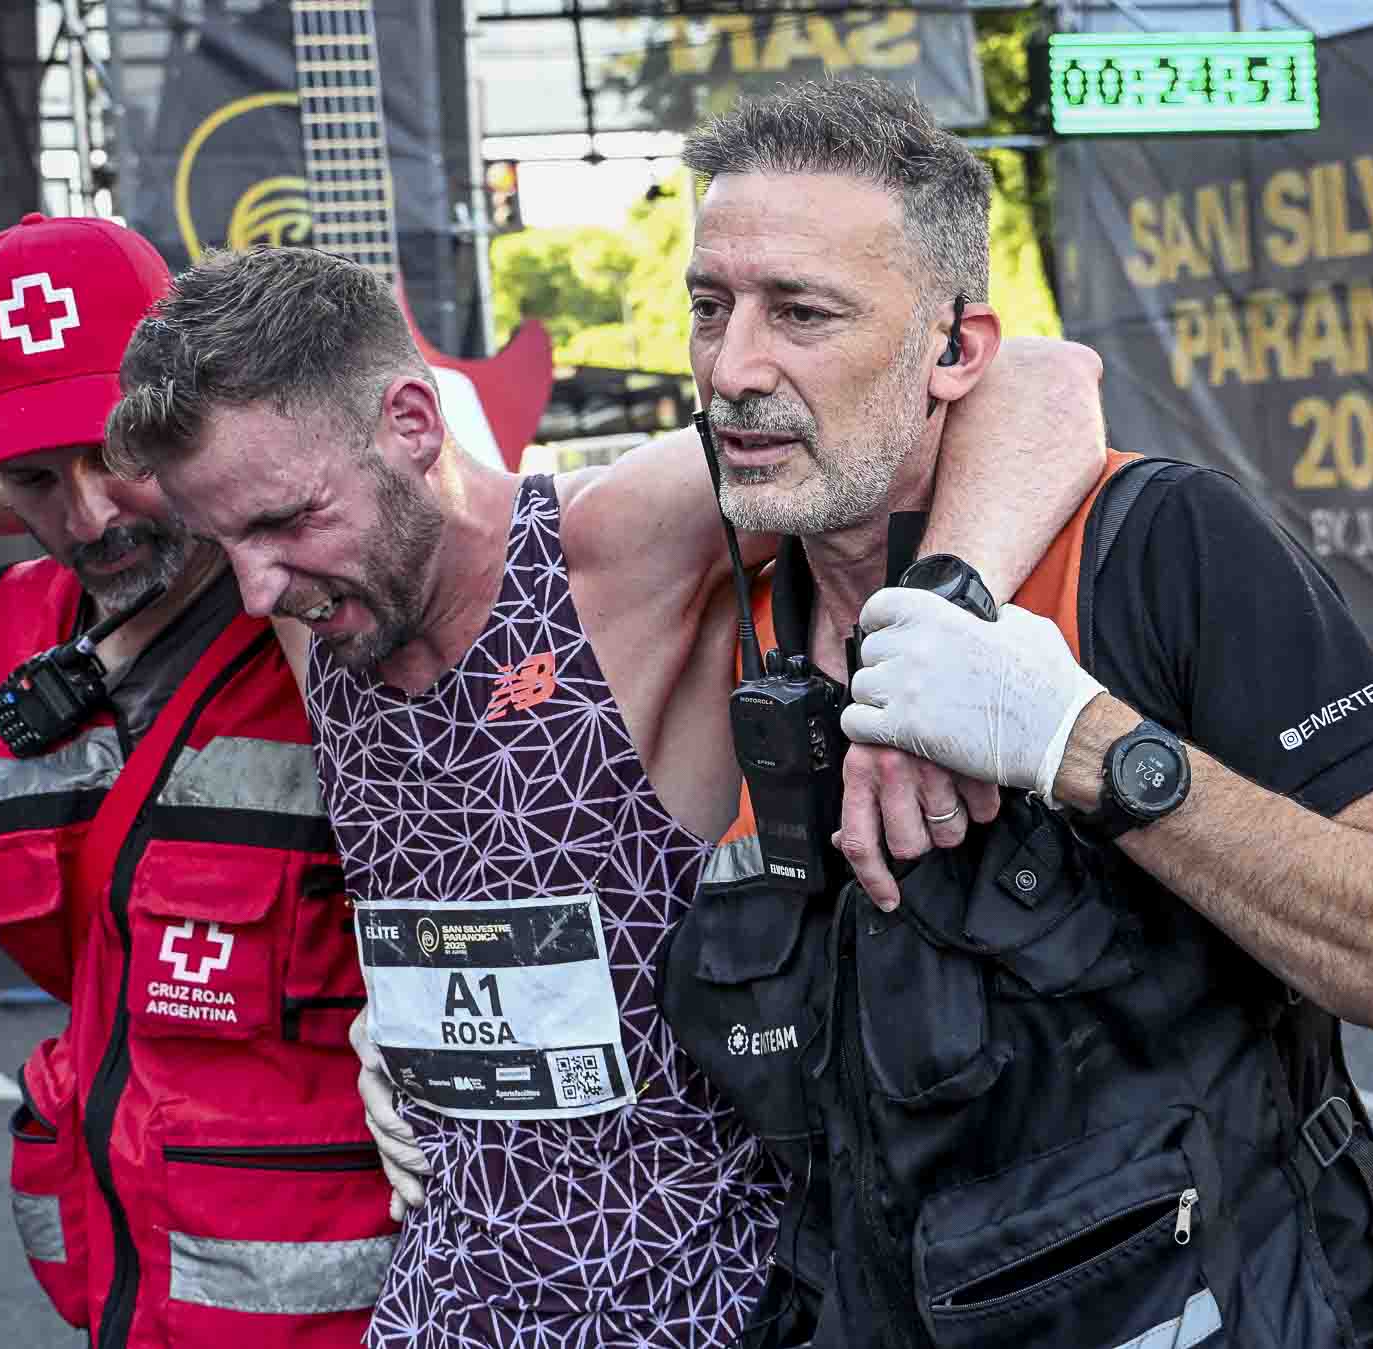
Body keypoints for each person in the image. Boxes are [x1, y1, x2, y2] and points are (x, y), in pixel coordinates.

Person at [89, 230, 1110, 1345]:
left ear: (412, 426)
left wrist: (937, 641)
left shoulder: (610, 548)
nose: (251, 590)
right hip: (447, 1296)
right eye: (223, 536)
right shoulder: (319, 610)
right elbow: (63, 482)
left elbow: (1040, 375)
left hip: (700, 1296)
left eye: (286, 521)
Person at [637, 80, 1373, 1349]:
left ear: (954, 350)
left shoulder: (1160, 545)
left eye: (803, 314)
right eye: (708, 307)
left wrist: (1082, 744)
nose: (730, 367)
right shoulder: (726, 599)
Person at [0, 213, 398, 1348]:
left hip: (356, 1301)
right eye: (33, 479)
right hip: (133, 1289)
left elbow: (413, 455)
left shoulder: (325, 607)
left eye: (120, 451)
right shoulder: (22, 621)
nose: (89, 515)